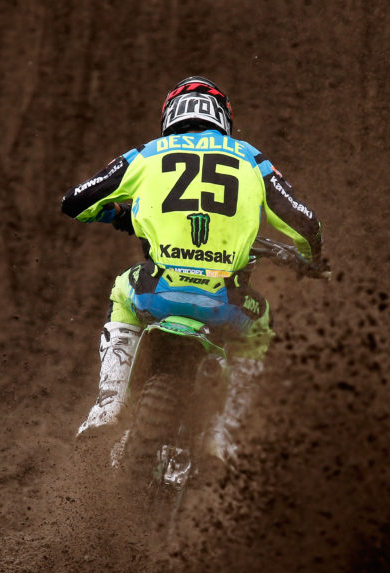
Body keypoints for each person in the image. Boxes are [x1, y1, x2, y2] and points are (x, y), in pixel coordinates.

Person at [61, 76, 323, 459]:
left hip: (156, 294)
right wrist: (312, 260)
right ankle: (224, 435)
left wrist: (115, 212)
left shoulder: (147, 154)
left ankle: (108, 403)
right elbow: (305, 222)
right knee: (260, 328)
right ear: (223, 118)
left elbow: (75, 201)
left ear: (170, 115)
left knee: (122, 289)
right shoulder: (251, 159)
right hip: (226, 304)